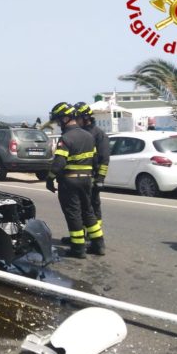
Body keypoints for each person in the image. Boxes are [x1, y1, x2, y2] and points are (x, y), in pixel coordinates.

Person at [45, 102, 104, 259]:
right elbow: (96, 160)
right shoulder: (89, 136)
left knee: (73, 214)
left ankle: (78, 248)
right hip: (87, 180)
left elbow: (59, 163)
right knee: (88, 211)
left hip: (69, 182)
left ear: (65, 118)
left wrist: (50, 178)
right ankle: (98, 244)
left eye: (58, 120)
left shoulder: (65, 138)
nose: (58, 124)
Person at [70, 101, 110, 255]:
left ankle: (95, 239)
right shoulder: (82, 133)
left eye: (78, 117)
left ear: (85, 117)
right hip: (84, 179)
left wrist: (100, 179)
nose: (76, 120)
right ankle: (84, 236)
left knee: (93, 209)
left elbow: (104, 159)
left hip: (93, 178)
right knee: (82, 209)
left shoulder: (98, 134)